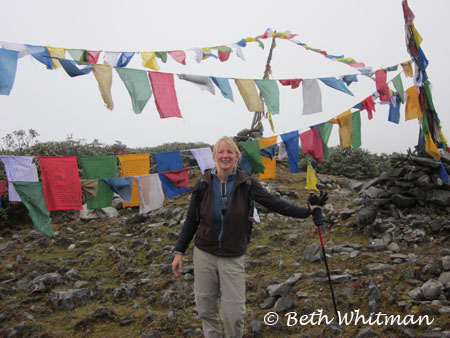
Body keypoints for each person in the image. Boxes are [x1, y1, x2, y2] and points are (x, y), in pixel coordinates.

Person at [171, 136, 325, 338]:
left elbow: (275, 203)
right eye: (221, 152)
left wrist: (306, 211)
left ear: (237, 156)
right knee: (206, 309)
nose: (225, 156)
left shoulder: (247, 183)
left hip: (233, 256)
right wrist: (179, 251)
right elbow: (192, 219)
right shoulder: (203, 184)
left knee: (234, 313)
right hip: (204, 255)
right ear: (214, 156)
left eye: (230, 152)